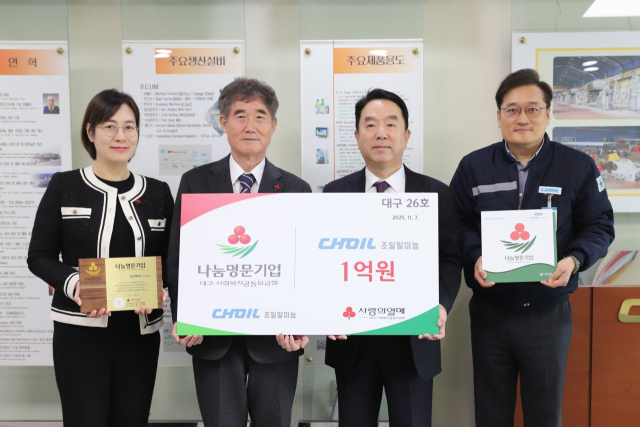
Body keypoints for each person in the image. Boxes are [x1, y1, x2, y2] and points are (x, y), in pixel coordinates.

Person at [449, 69, 615, 427]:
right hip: (491, 311)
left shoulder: (577, 167)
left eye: (532, 109)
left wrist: (574, 260)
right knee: (491, 413)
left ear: (548, 114)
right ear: (498, 116)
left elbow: (599, 225)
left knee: (544, 414)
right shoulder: (473, 167)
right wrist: (474, 256)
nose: (522, 118)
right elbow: (457, 222)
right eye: (512, 110)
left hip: (547, 312)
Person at [294, 89, 462, 427]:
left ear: (406, 135)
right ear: (357, 136)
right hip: (353, 342)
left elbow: (449, 258)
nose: (381, 133)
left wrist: (441, 305)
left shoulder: (436, 194)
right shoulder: (335, 194)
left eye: (390, 124)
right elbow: (320, 261)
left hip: (414, 339)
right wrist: (325, 310)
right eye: (370, 125)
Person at [167, 77, 312, 427]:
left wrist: (300, 323)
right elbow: (178, 257)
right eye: (240, 115)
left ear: (273, 125)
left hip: (276, 341)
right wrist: (185, 317)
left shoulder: (296, 189)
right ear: (223, 122)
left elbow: (306, 266)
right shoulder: (195, 182)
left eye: (260, 116)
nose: (250, 126)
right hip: (213, 339)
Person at [27, 89, 174, 426]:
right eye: (110, 126)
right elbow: (39, 256)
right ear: (91, 133)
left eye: (129, 127)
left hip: (139, 334)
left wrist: (159, 287)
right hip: (80, 333)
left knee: (132, 420)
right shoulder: (65, 186)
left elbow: (172, 260)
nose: (121, 136)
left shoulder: (157, 192)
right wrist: (74, 283)